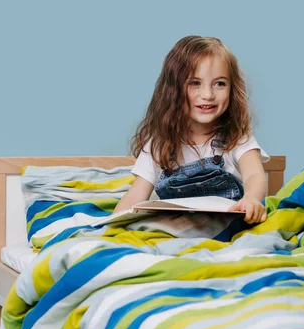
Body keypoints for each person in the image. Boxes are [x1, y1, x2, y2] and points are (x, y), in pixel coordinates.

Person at [114, 35, 270, 224]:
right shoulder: (160, 144)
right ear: (173, 90)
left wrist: (251, 199)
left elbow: (254, 175)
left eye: (219, 83)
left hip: (227, 227)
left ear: (232, 89)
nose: (208, 95)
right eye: (194, 83)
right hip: (179, 229)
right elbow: (135, 196)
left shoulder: (236, 137)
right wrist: (110, 227)